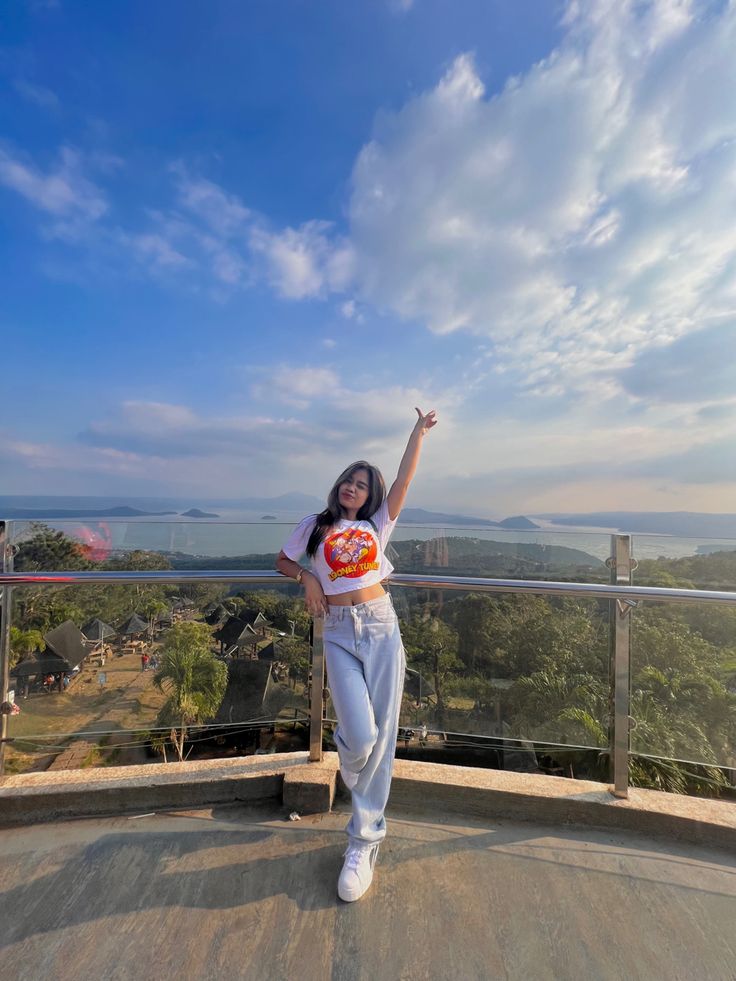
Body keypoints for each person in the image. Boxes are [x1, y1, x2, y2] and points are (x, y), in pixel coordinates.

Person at [276, 407, 437, 902]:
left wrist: (417, 434)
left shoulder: (376, 527)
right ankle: (353, 761)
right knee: (361, 734)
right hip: (339, 631)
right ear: (339, 485)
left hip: (382, 626)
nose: (353, 488)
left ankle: (363, 842)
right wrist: (306, 577)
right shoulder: (316, 524)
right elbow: (283, 560)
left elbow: (406, 481)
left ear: (371, 495)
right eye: (349, 480)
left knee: (381, 740)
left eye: (363, 485)